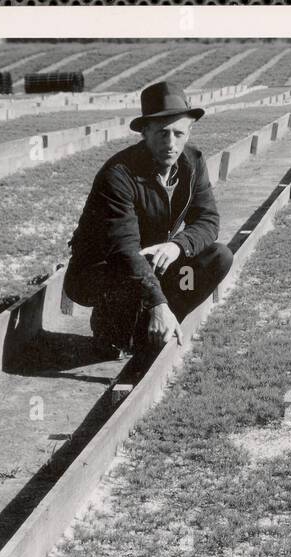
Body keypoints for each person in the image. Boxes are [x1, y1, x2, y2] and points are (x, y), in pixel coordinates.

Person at [63, 81, 234, 359]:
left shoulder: (193, 163)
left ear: (189, 132)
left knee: (219, 257)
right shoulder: (118, 175)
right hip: (103, 271)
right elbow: (124, 250)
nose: (171, 143)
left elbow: (208, 220)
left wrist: (177, 246)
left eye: (179, 133)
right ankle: (112, 325)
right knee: (122, 308)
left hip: (153, 261)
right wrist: (156, 302)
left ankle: (156, 329)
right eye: (162, 134)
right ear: (144, 132)